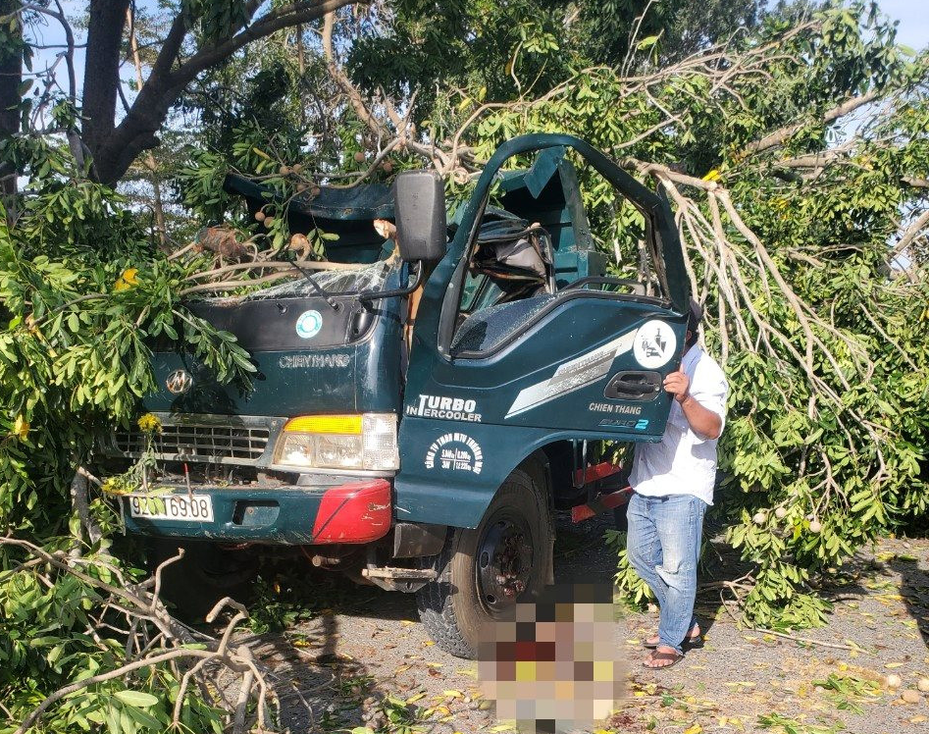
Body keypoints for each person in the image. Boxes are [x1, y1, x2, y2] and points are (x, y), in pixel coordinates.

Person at [626, 299, 728, 670]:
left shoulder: (706, 372)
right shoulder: (652, 361)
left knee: (678, 569)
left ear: (684, 333)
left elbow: (712, 428)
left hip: (683, 487)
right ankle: (686, 623)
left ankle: (672, 641)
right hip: (646, 483)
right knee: (640, 559)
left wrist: (685, 396)